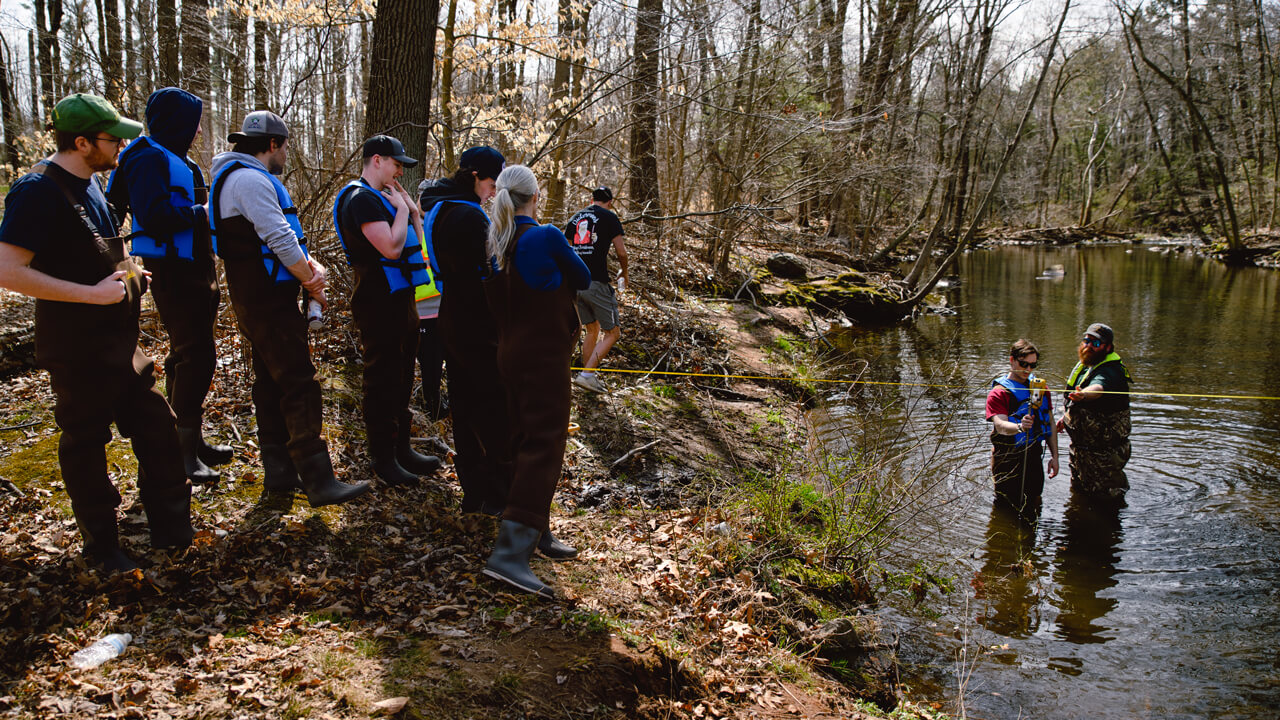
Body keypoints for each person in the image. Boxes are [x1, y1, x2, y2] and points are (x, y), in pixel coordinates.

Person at [0, 93, 193, 571]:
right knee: (86, 443)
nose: (122, 149)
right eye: (113, 140)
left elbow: (95, 256)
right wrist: (91, 295)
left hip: (120, 344)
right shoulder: (36, 191)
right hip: (76, 346)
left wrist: (130, 274)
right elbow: (7, 269)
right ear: (81, 142)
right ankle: (103, 549)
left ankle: (172, 534)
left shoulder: (91, 185)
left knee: (158, 426)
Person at [210, 110, 368, 506]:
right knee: (299, 381)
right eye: (285, 147)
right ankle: (319, 480)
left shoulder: (234, 178)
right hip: (268, 301)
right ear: (273, 145)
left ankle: (279, 473)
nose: (285, 155)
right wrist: (310, 279)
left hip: (256, 298)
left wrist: (305, 266)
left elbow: (278, 240)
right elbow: (279, 238)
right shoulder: (250, 180)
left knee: (269, 383)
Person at [106, 86, 227, 485]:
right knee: (196, 357)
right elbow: (154, 215)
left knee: (187, 355)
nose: (196, 133)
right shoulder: (144, 157)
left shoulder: (173, 158)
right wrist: (203, 212)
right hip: (174, 270)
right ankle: (182, 453)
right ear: (175, 123)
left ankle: (189, 440)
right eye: (192, 125)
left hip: (195, 264)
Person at [481, 165, 591, 599]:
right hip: (543, 357)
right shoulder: (545, 236)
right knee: (544, 443)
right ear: (535, 197)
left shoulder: (495, 242)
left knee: (521, 437)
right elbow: (582, 278)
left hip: (508, 354)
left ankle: (536, 529)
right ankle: (510, 553)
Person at [332, 135, 441, 486]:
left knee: (403, 374)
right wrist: (402, 211)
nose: (399, 173)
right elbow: (391, 248)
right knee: (382, 379)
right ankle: (383, 457)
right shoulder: (361, 199)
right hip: (378, 300)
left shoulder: (386, 198)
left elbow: (416, 243)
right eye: (396, 165)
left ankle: (401, 448)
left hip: (402, 299)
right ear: (376, 160)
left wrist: (410, 212)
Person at [419, 146, 511, 515]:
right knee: (489, 408)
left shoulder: (439, 206)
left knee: (463, 404)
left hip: (450, 318)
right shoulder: (467, 218)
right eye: (491, 183)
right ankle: (494, 493)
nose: (492, 192)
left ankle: (473, 491)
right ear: (475, 176)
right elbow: (482, 278)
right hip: (475, 325)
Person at [1057, 323, 1132, 500]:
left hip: (1104, 456)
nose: (1089, 346)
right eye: (1087, 340)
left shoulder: (1110, 372)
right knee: (1078, 500)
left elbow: (1098, 388)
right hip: (1082, 451)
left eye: (1096, 343)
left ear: (1107, 347)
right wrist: (1066, 417)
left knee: (1105, 503)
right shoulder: (1086, 365)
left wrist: (1083, 395)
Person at [564, 187, 627, 394]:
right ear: (610, 202)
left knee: (592, 329)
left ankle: (587, 376)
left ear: (592, 199)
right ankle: (586, 375)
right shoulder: (609, 217)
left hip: (577, 284)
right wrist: (624, 272)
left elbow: (566, 250)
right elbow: (621, 251)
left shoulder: (575, 218)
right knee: (613, 333)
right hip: (597, 283)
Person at [985, 339, 1059, 513]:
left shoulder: (1039, 388)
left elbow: (1049, 422)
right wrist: (1019, 427)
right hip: (1007, 459)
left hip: (1033, 456)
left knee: (1033, 503)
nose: (1028, 370)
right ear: (1012, 360)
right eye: (1023, 364)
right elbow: (1000, 425)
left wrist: (1055, 456)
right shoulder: (999, 392)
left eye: (1032, 365)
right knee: (1005, 508)